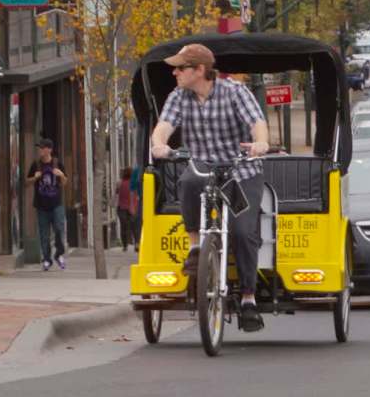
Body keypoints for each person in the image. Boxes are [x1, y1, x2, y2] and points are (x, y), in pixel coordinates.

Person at [149, 43, 270, 332]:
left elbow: (257, 124)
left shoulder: (235, 92)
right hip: (203, 167)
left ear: (200, 70)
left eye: (181, 67)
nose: (175, 72)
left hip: (240, 172)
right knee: (189, 179)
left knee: (243, 232)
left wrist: (260, 143)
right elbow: (164, 125)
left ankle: (249, 300)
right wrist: (159, 144)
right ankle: (195, 247)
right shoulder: (179, 96)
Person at [27, 138, 68, 270]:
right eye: (39, 148)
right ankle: (46, 259)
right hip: (41, 205)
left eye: (42, 148)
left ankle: (59, 255)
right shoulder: (36, 165)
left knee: (59, 229)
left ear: (49, 149)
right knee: (44, 233)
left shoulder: (57, 163)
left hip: (57, 204)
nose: (40, 150)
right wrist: (35, 177)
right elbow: (26, 182)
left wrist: (61, 175)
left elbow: (64, 182)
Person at [116, 167, 138, 251]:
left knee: (123, 227)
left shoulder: (120, 183)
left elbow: (117, 193)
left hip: (122, 208)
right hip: (133, 207)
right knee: (134, 227)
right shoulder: (134, 183)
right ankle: (136, 244)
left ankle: (125, 245)